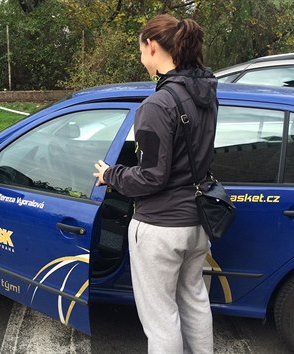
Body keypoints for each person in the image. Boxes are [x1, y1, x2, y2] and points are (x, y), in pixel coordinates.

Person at [93, 14, 218, 354]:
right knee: (193, 299)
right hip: (197, 221)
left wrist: (110, 175)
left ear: (151, 46)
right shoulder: (206, 94)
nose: (140, 57)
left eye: (140, 49)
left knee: (161, 318)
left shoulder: (156, 105)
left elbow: (152, 176)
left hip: (160, 226)